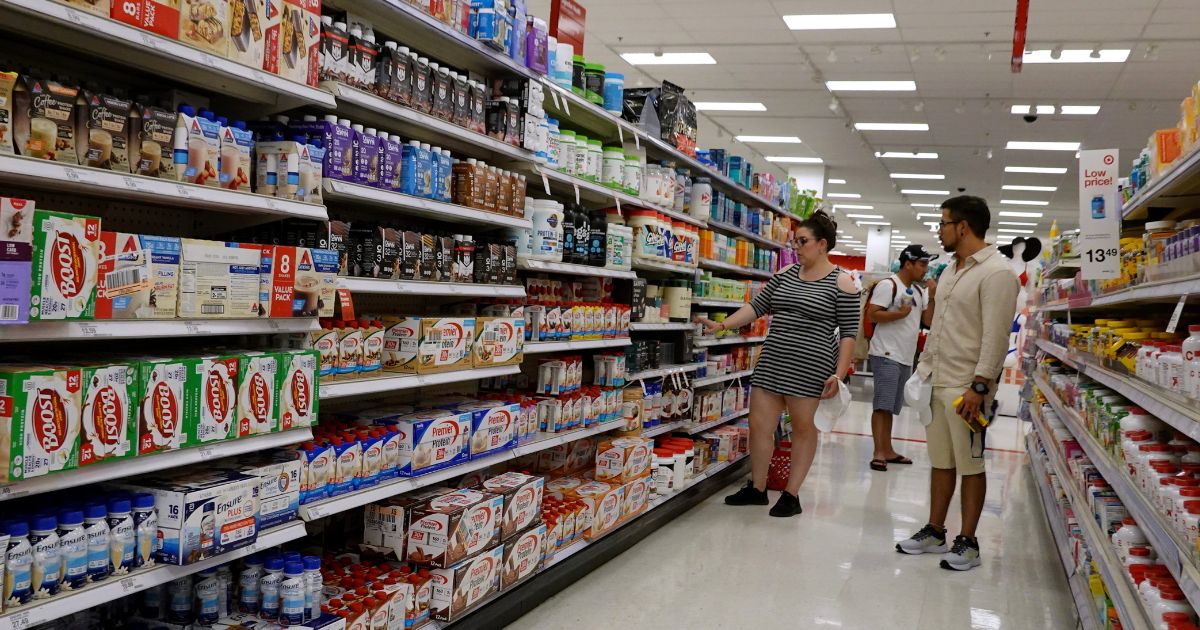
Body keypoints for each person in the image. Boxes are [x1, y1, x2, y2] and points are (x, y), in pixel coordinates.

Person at [697, 210, 859, 518]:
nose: (796, 247)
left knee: (802, 429)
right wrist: (723, 326)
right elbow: (756, 306)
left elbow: (850, 334)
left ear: (822, 244)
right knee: (759, 426)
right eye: (795, 241)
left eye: (803, 241)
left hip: (812, 367)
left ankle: (791, 494)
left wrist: (838, 375)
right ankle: (758, 488)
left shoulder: (844, 283)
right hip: (773, 361)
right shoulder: (784, 276)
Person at [895, 196, 1020, 571]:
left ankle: (969, 541)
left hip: (968, 388)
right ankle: (935, 531)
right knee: (941, 461)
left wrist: (980, 387)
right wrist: (924, 371)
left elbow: (995, 338)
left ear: (963, 226)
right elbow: (939, 328)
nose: (939, 231)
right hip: (938, 381)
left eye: (943, 224)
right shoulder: (951, 270)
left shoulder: (997, 273)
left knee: (971, 464)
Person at [866, 244, 937, 472]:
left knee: (892, 407)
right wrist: (899, 314)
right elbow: (872, 314)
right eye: (922, 264)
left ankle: (887, 449)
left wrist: (932, 296)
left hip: (906, 356)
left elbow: (927, 321)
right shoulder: (889, 285)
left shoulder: (917, 291)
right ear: (908, 263)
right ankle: (878, 452)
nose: (926, 269)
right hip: (886, 353)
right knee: (882, 406)